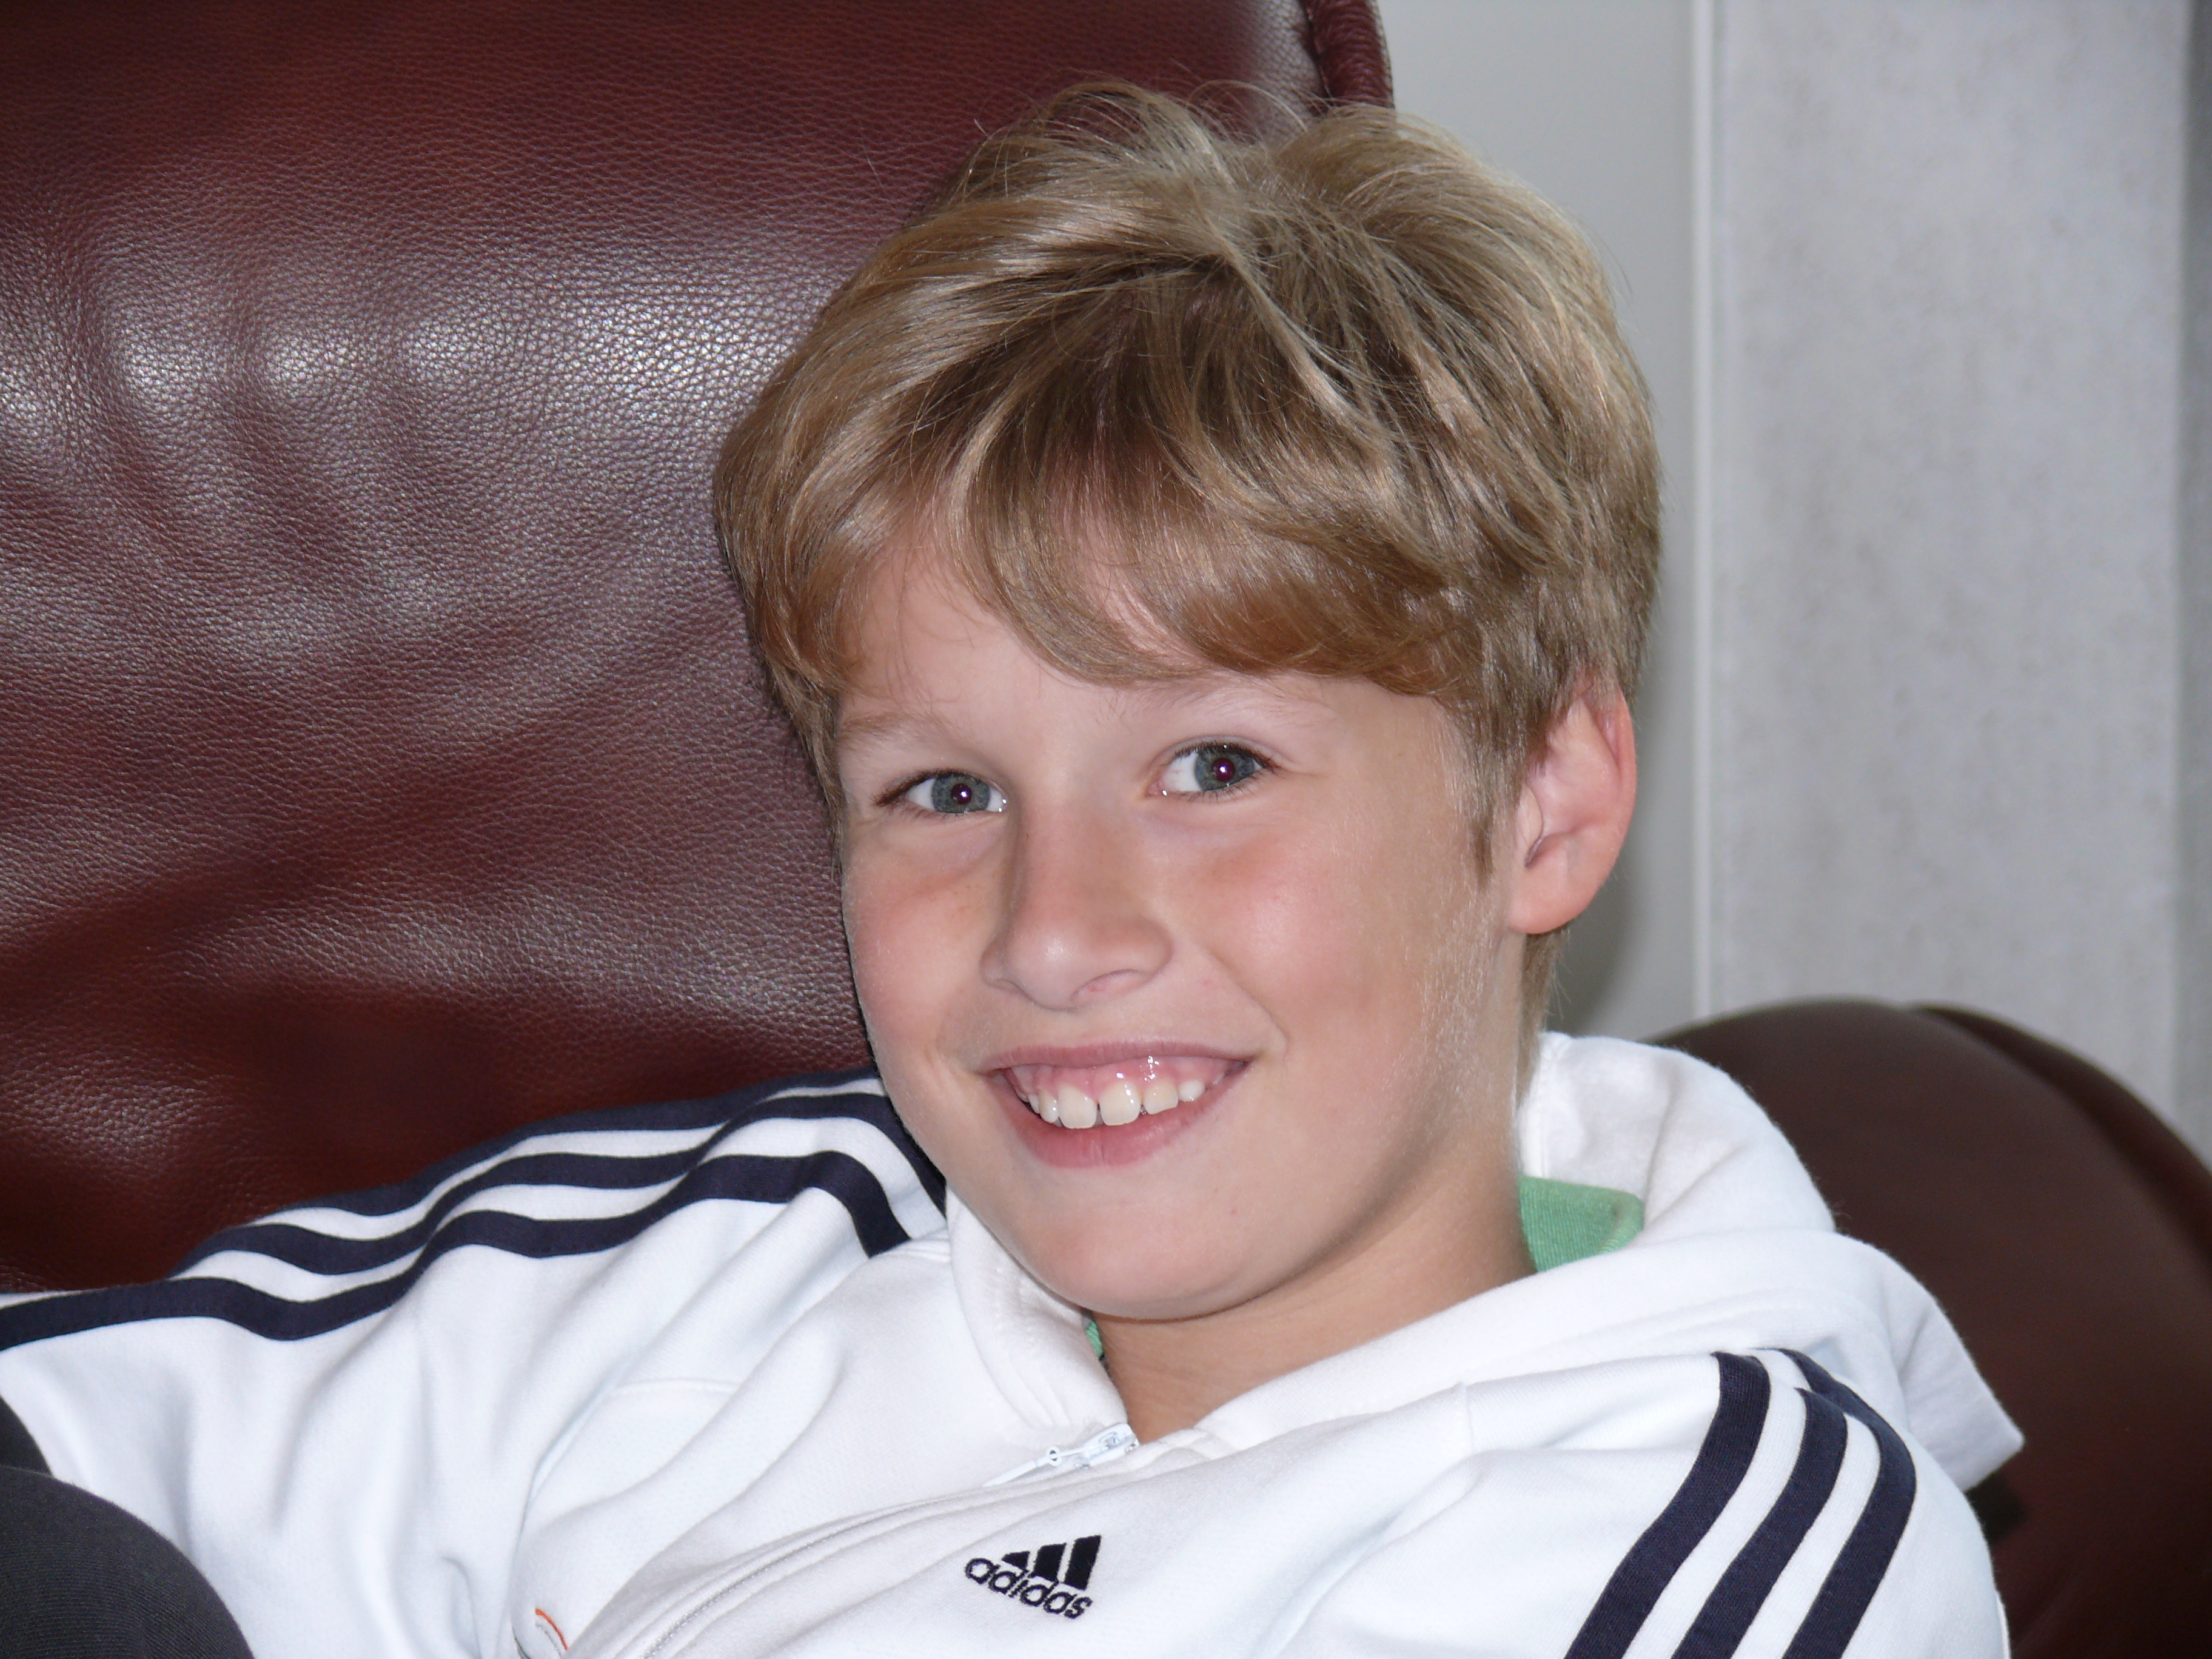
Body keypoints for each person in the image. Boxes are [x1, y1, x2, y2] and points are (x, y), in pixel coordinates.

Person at [0, 84, 2016, 1658]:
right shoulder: (754, 1247)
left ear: (1550, 806)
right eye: (946, 791)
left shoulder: (1696, 1549)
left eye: (1214, 767)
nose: (1055, 935)